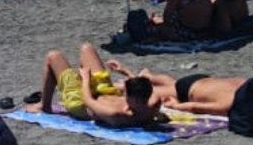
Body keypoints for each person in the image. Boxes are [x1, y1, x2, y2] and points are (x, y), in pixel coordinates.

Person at [27, 42, 162, 128]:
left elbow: (88, 100)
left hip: (82, 103)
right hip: (104, 92)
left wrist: (85, 79)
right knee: (87, 48)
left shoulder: (116, 114)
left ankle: (44, 106)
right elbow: (147, 88)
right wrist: (125, 71)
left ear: (134, 99)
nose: (123, 93)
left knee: (53, 56)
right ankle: (77, 80)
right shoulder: (151, 104)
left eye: (126, 93)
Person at [105, 64, 253, 116]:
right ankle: (133, 77)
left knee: (168, 84)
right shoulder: (232, 104)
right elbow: (195, 107)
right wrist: (178, 107)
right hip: (190, 88)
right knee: (134, 90)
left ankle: (145, 76)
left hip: (202, 80)